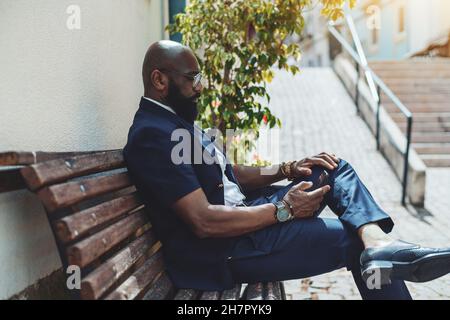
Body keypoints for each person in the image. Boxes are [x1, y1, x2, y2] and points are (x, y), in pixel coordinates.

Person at [123, 40, 450, 300]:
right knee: (354, 245)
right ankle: (374, 247)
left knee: (333, 168)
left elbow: (231, 173)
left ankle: (377, 239)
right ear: (159, 79)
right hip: (226, 250)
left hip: (247, 221)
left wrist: (287, 169)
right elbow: (203, 221)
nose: (200, 86)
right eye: (192, 78)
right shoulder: (153, 134)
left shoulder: (176, 124)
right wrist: (283, 210)